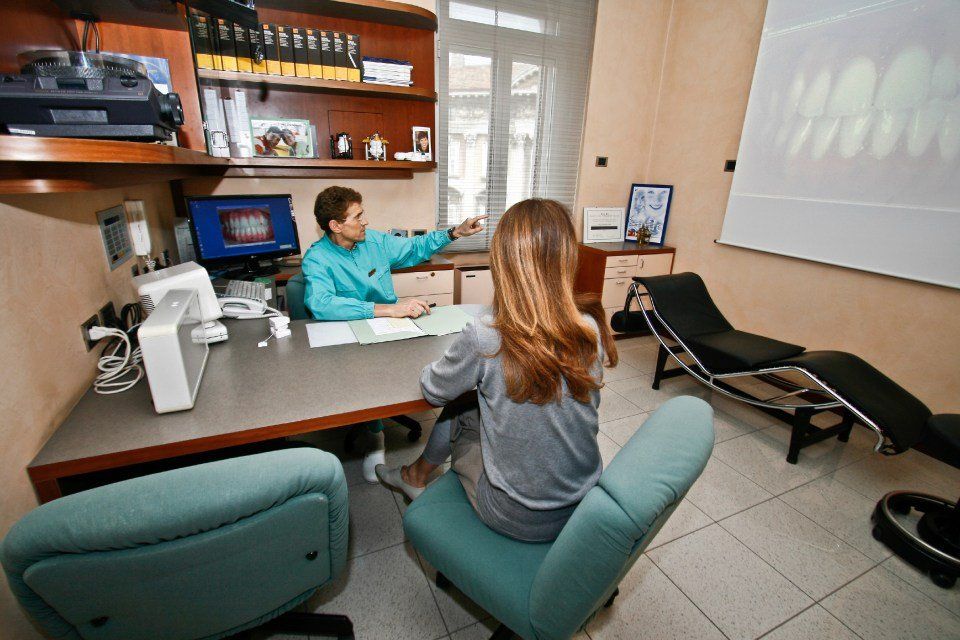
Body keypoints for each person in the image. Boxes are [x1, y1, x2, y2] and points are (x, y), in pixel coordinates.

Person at [376, 198, 618, 542]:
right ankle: (414, 475)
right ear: (567, 257)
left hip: (516, 515)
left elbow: (433, 389)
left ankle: (414, 476)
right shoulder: (590, 326)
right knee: (475, 403)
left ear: (503, 261)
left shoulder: (486, 333)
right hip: (581, 505)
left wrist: (448, 362)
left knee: (458, 405)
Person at [302, 186, 487, 481]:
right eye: (357, 217)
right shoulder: (317, 258)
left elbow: (415, 247)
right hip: (349, 337)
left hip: (389, 329)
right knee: (367, 376)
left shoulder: (374, 241)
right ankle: (376, 436)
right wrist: (387, 309)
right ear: (335, 225)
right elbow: (321, 304)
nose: (365, 221)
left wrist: (455, 233)